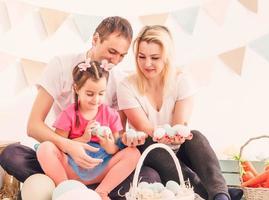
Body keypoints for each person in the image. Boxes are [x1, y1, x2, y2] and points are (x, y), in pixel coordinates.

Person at [0, 16, 160, 200]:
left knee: (149, 176)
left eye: (122, 56)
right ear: (95, 39)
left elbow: (116, 142)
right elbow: (34, 126)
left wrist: (118, 141)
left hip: (99, 163)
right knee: (13, 155)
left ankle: (87, 192)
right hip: (66, 157)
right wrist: (72, 145)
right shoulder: (60, 66)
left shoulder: (119, 81)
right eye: (112, 51)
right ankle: (68, 189)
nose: (115, 60)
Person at [117, 25, 243, 200]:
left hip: (177, 147)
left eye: (155, 57)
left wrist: (176, 134)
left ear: (167, 57)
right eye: (141, 57)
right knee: (150, 143)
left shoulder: (182, 80)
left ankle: (220, 194)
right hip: (150, 150)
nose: (147, 64)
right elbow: (144, 128)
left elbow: (179, 125)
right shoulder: (126, 86)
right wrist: (163, 136)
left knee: (196, 136)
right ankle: (215, 194)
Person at [36, 60, 140, 200]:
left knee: (133, 153)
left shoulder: (111, 114)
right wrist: (83, 139)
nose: (96, 99)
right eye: (90, 94)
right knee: (45, 148)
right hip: (72, 169)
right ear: (77, 89)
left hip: (101, 167)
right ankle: (66, 189)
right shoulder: (69, 114)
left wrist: (108, 146)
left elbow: (115, 149)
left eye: (101, 93)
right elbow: (60, 145)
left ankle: (101, 192)